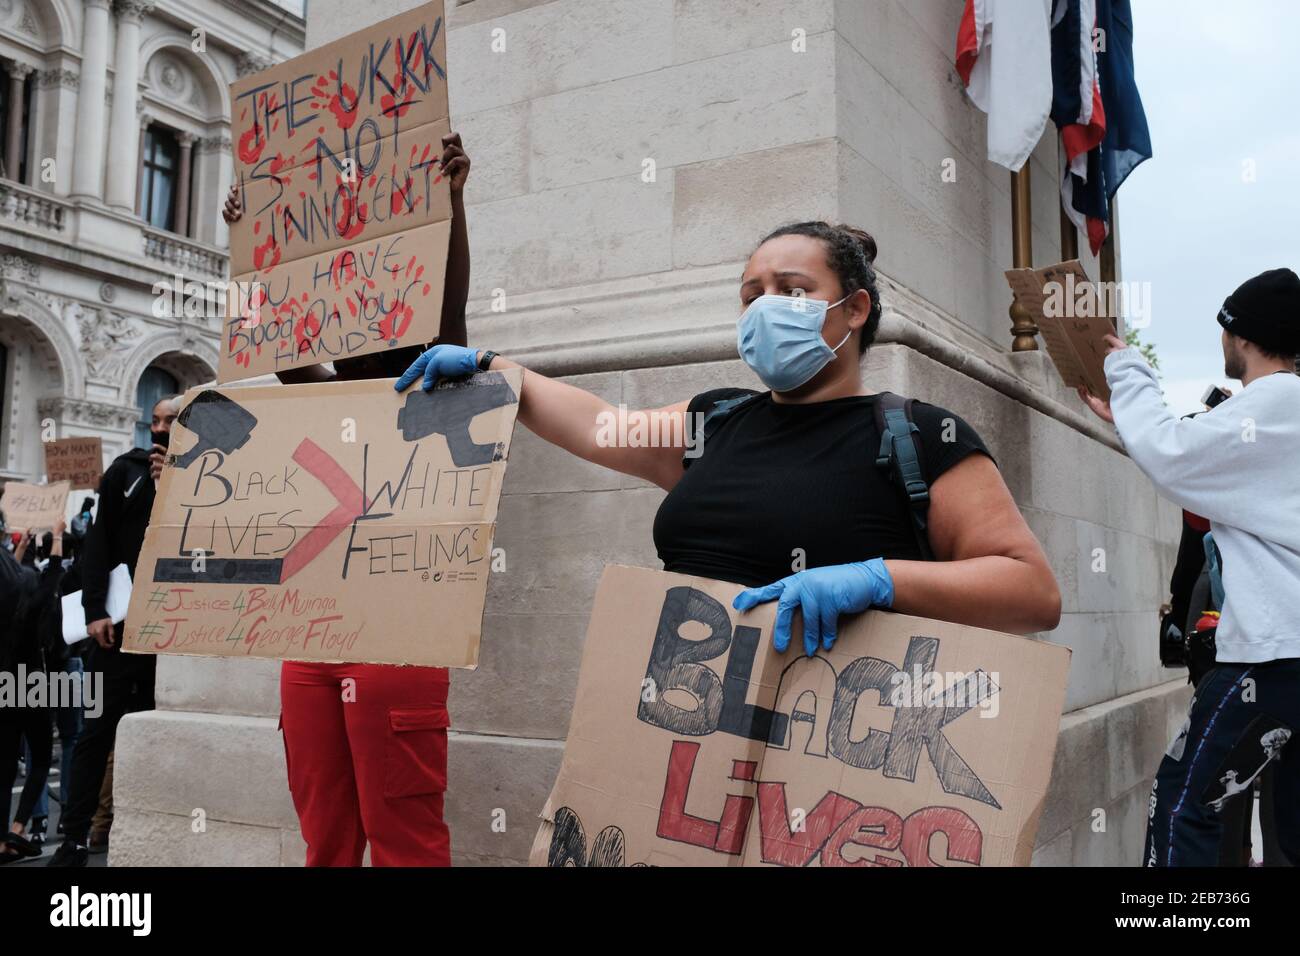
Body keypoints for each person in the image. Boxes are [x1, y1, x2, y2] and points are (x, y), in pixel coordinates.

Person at [398, 221, 1062, 655]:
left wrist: (877, 579)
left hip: (836, 773)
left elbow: (1032, 594)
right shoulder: (715, 419)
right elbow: (600, 426)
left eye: (792, 290)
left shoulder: (920, 436)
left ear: (854, 309)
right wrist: (497, 371)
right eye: (753, 294)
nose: (765, 305)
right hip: (686, 745)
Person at [218, 132, 472, 866]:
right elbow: (271, 337)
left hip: (398, 638)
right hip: (312, 641)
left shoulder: (436, 394)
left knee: (404, 837)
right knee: (323, 834)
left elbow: (449, 312)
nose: (338, 320)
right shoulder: (321, 397)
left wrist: (452, 205)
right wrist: (248, 240)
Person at [1078, 267, 1300, 866]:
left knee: (1186, 804)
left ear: (1241, 336)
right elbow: (1215, 479)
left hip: (1273, 657)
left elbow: (1177, 458)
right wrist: (1132, 426)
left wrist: (1129, 372)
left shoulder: (1276, 399)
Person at [46, 400, 178, 867]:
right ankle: (75, 838)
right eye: (156, 420)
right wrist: (95, 610)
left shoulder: (202, 476)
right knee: (95, 733)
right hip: (116, 632)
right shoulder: (126, 471)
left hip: (172, 633)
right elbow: (98, 543)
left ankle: (143, 825)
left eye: (170, 421)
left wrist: (171, 488)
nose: (158, 428)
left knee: (154, 732)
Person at [1, 523, 66, 862]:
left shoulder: (6, 600)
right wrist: (57, 537)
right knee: (40, 759)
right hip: (33, 686)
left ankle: (2, 838)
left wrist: (19, 549)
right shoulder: (37, 601)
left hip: (4, 685)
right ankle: (17, 829)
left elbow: (10, 578)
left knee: (6, 764)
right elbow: (53, 577)